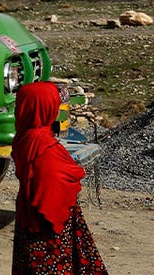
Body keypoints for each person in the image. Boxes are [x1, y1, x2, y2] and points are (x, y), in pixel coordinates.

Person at [12, 81, 107, 274]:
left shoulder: (25, 137)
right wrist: (74, 173)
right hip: (48, 226)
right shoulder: (42, 145)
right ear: (44, 107)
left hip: (27, 217)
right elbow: (54, 181)